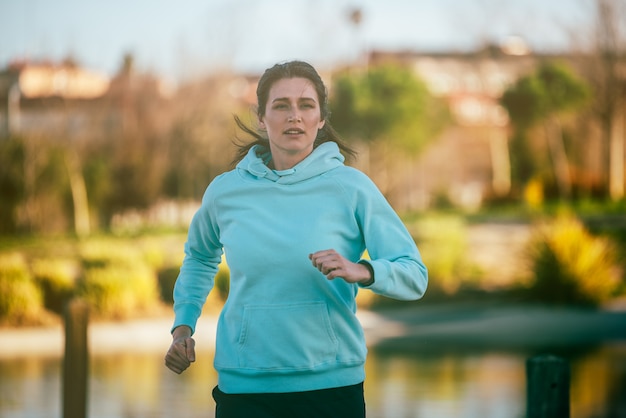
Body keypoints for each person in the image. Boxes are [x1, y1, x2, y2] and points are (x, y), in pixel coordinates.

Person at [164, 60, 428, 418]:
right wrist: (183, 327)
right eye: (281, 105)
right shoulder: (225, 192)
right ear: (261, 116)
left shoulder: (351, 187)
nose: (295, 116)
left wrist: (361, 270)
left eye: (306, 105)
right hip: (244, 389)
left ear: (321, 119)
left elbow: (414, 275)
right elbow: (199, 257)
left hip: (332, 390)